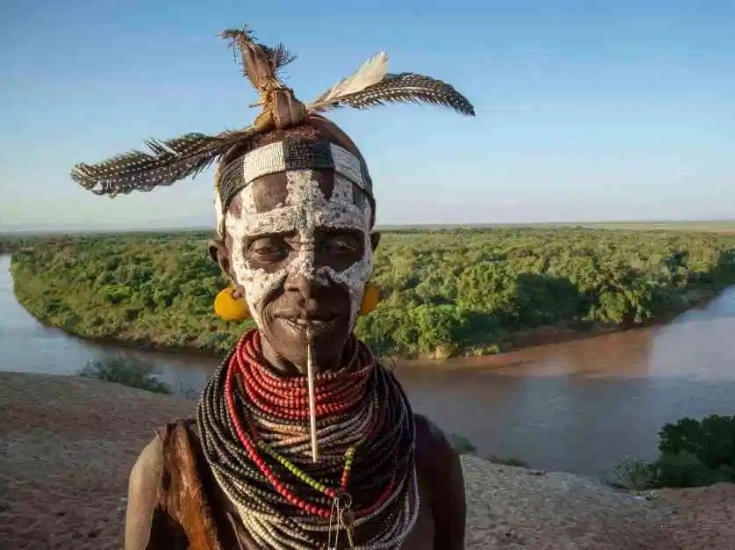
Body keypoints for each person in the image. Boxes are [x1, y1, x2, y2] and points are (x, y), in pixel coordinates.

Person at [70, 28, 475, 550]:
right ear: (228, 266)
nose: (306, 276)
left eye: (338, 244)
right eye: (269, 248)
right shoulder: (174, 467)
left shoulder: (424, 455)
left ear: (370, 256)